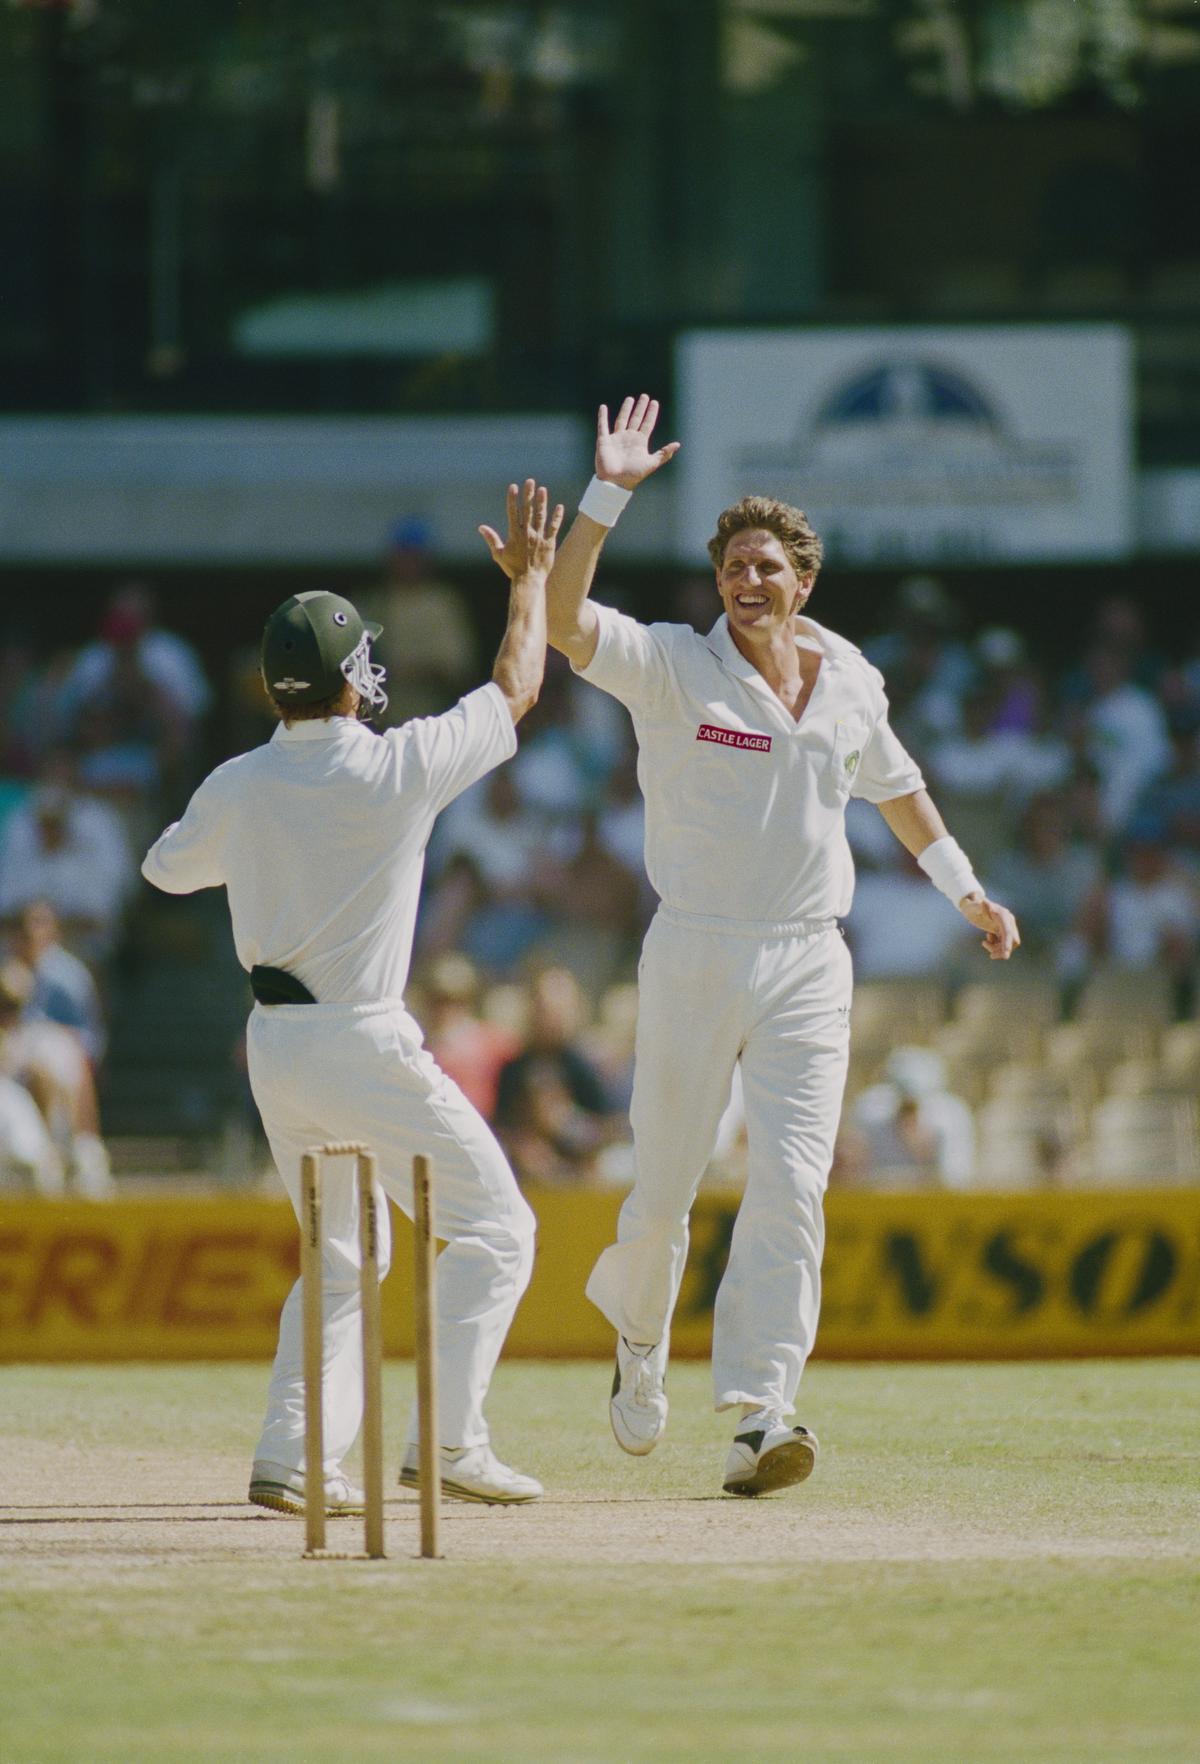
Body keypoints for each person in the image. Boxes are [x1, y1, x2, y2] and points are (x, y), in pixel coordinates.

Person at [517, 393, 1019, 1498]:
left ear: (805, 580)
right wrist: (609, 493)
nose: (747, 583)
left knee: (795, 1185)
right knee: (666, 1189)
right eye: (732, 567)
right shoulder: (670, 667)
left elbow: (899, 789)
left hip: (808, 956)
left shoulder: (850, 680)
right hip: (695, 949)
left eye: (766, 566)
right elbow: (560, 620)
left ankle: (760, 1410)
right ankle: (640, 1347)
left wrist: (967, 891)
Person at [142, 478, 563, 1517]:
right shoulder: (397, 766)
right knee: (499, 1230)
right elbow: (515, 688)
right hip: (364, 1040)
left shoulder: (239, 782)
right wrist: (532, 584)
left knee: (344, 1253)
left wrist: (264, 850)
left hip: (277, 1048)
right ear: (347, 681)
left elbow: (164, 871)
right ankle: (448, 1442)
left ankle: (294, 1455)